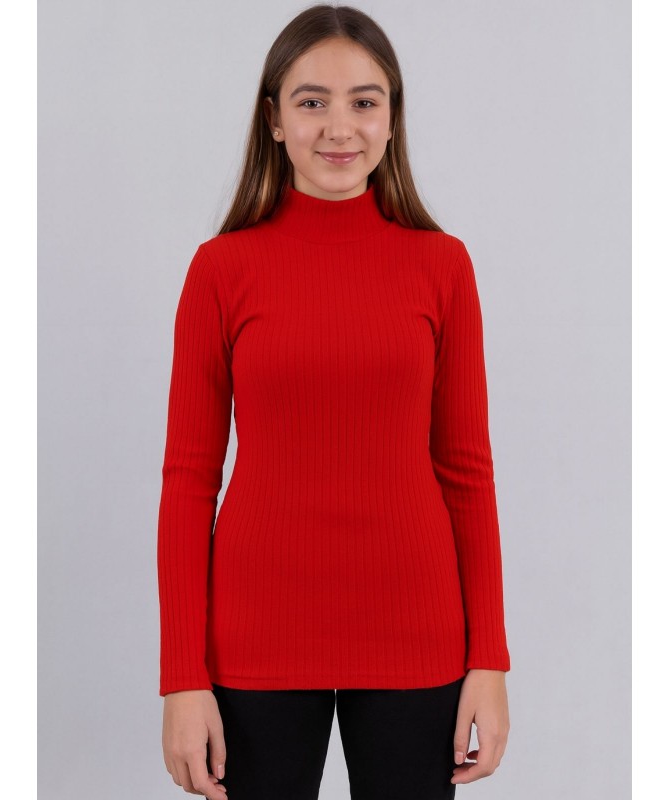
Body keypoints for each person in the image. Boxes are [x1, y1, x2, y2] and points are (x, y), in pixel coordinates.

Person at [157, 5, 511, 798]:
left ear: (392, 118)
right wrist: (181, 676)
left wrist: (489, 659)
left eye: (364, 101)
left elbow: (467, 472)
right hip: (256, 635)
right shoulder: (221, 270)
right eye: (312, 101)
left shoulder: (443, 266)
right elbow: (188, 481)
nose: (339, 127)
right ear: (274, 120)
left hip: (417, 633)